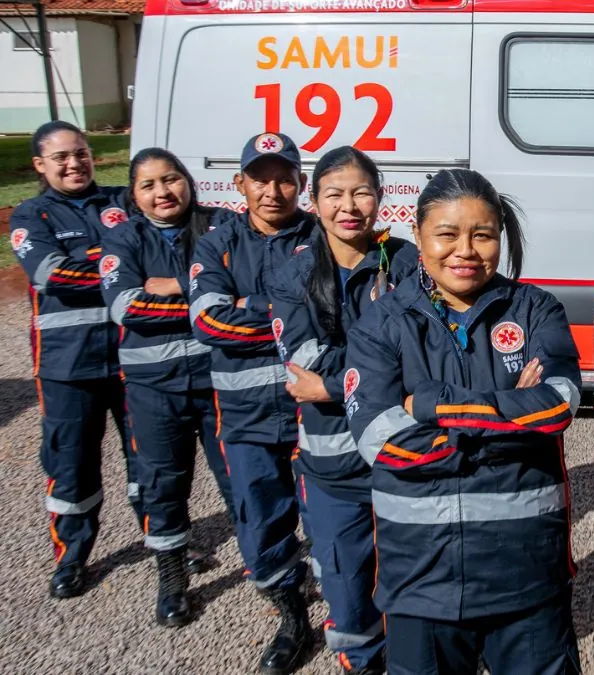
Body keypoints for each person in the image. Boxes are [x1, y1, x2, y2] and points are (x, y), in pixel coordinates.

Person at [344, 168, 583, 675]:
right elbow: (381, 443)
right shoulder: (381, 323)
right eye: (447, 234)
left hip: (526, 572)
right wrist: (506, 412)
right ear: (418, 233)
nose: (466, 250)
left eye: (483, 234)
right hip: (421, 580)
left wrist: (424, 405)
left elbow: (558, 405)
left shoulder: (536, 309)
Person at [266, 146, 418, 675]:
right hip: (334, 470)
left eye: (361, 191)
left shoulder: (408, 263)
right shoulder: (294, 274)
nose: (348, 205)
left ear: (380, 197)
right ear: (314, 201)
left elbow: (423, 357)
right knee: (349, 594)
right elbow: (303, 363)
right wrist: (384, 372)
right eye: (334, 194)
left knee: (414, 587)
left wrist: (339, 381)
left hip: (405, 459)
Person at [188, 131, 317, 674]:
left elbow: (336, 316)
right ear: (239, 183)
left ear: (300, 183)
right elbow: (208, 322)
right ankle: (292, 615)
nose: (272, 189)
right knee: (260, 521)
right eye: (260, 178)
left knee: (335, 516)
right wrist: (289, 312)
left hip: (317, 411)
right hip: (245, 417)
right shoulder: (215, 243)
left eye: (284, 177)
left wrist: (250, 306)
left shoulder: (321, 236)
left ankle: (352, 606)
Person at [99, 147, 239, 627]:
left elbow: (244, 290)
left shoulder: (220, 224)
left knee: (239, 477)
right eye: (149, 185)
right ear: (134, 196)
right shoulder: (122, 238)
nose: (163, 192)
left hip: (219, 381)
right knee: (163, 483)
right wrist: (205, 295)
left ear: (188, 181)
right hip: (153, 388)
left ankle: (271, 565)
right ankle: (173, 576)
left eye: (171, 179)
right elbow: (126, 308)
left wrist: (175, 283)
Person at [10, 120, 144, 600]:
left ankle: (162, 538)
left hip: (132, 356)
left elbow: (153, 251)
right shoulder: (31, 216)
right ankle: (72, 555)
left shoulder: (122, 200)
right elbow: (52, 274)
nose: (74, 164)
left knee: (148, 457)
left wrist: (104, 260)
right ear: (40, 165)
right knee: (71, 463)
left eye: (81, 153)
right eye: (62, 157)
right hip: (68, 367)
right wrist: (120, 264)